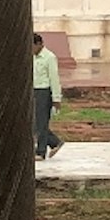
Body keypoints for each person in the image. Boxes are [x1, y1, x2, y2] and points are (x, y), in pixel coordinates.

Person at [35, 33, 65, 161]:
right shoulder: (31, 57)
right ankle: (54, 142)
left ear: (39, 44)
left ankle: (41, 151)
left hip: (44, 91)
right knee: (33, 122)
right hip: (33, 90)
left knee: (41, 121)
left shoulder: (49, 57)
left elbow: (54, 78)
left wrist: (56, 99)